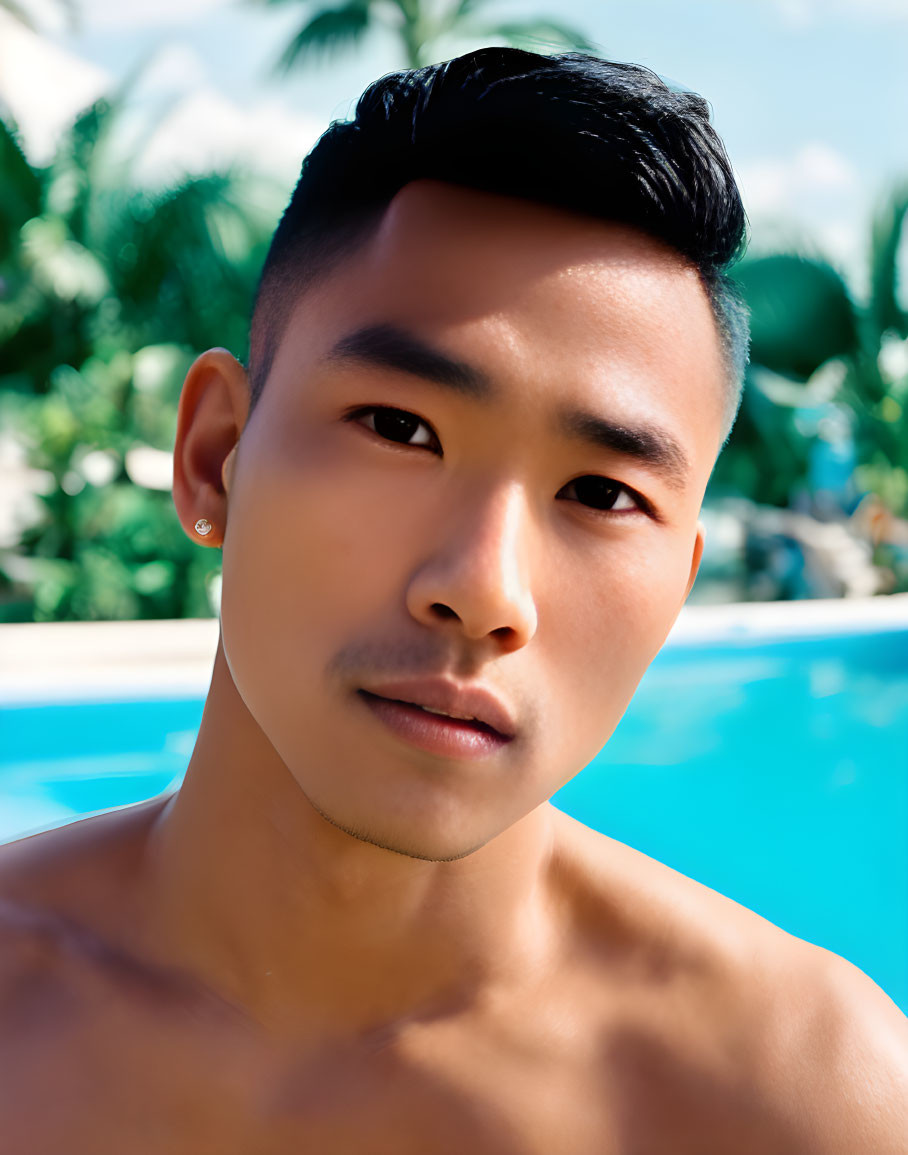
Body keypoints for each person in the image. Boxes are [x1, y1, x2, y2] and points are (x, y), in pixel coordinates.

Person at [1, 47, 905, 1153]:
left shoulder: (797, 1097)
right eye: (399, 429)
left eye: (601, 494)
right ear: (214, 456)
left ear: (678, 583)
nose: (482, 591)